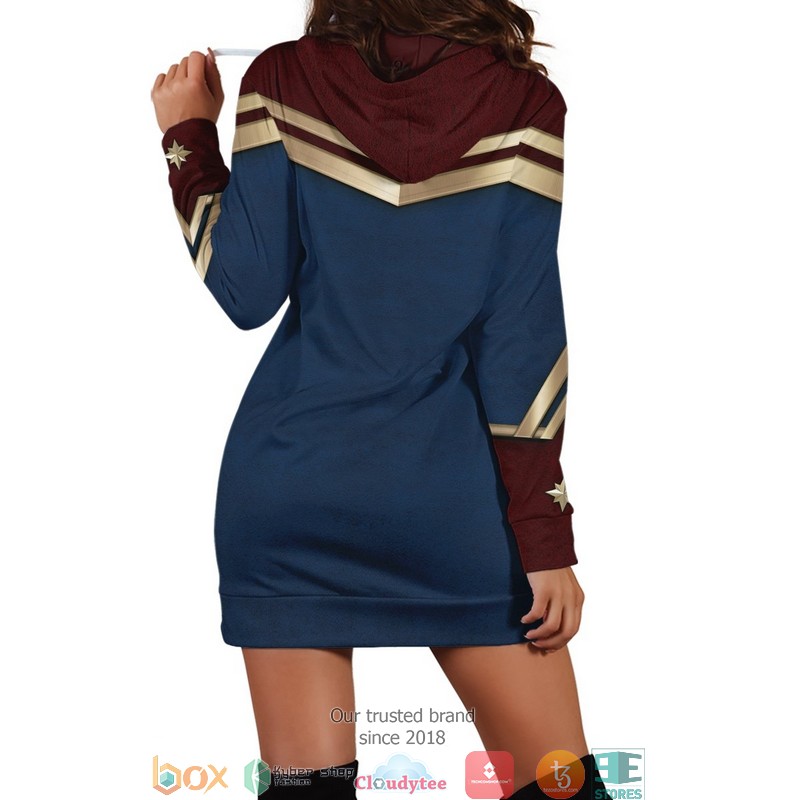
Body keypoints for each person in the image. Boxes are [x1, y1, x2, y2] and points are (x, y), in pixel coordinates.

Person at [151, 2, 611, 798]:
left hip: (293, 490)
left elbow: (247, 290)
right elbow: (522, 336)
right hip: (453, 502)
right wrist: (545, 536)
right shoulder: (525, 103)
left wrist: (186, 135)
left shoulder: (282, 78)